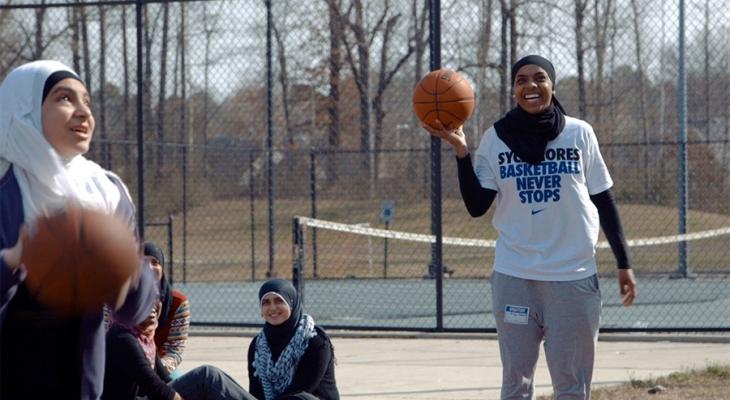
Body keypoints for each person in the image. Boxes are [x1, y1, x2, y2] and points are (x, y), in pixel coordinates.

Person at [423, 55, 637, 399]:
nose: (530, 86)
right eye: (521, 80)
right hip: (515, 277)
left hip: (572, 276)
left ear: (552, 86)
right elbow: (477, 206)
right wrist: (462, 151)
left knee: (571, 386)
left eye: (539, 78)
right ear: (513, 90)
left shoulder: (579, 133)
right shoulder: (495, 139)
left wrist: (623, 262)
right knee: (516, 383)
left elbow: (604, 200)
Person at [0, 60, 158, 399]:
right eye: (64, 98)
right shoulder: (4, 186)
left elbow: (139, 307)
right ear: (24, 108)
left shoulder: (107, 190)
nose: (83, 112)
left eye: (86, 101)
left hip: (78, 384)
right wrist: (11, 261)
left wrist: (126, 277)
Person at [103, 302, 254, 400]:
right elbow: (156, 389)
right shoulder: (123, 338)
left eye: (156, 297)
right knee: (206, 376)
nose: (153, 304)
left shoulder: (142, 336)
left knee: (202, 383)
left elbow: (165, 379)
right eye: (145, 298)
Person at [248, 279, 339, 400]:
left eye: (279, 301)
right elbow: (255, 392)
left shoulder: (315, 341)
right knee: (214, 377)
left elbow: (302, 388)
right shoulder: (258, 345)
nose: (272, 307)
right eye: (266, 302)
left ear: (292, 303)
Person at [143, 242, 191, 375]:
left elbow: (174, 351)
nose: (149, 267)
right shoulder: (115, 301)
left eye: (155, 262)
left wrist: (155, 371)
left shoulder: (178, 303)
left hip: (160, 369)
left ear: (162, 268)